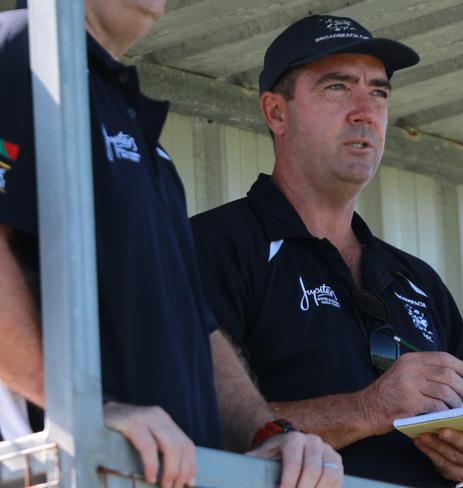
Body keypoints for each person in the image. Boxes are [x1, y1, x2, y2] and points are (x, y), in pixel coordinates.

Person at [0, 3, 343, 488]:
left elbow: (193, 323)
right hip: (66, 471)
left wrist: (264, 431)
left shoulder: (129, 119)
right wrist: (85, 410)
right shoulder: (19, 49)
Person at [191, 15, 463, 488]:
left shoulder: (418, 281)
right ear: (276, 112)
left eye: (378, 92)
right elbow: (190, 419)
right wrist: (369, 408)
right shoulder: (212, 246)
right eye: (337, 88)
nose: (365, 111)